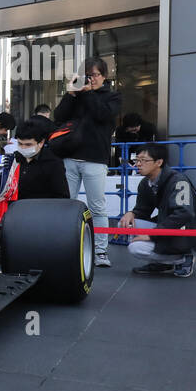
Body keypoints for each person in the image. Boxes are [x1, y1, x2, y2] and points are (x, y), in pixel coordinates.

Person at [53, 57, 121, 268]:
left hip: (95, 159)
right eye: (87, 75)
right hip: (70, 157)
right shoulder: (78, 95)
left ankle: (101, 250)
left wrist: (88, 93)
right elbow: (59, 117)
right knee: (66, 204)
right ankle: (63, 246)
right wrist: (71, 94)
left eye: (95, 75)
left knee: (97, 206)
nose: (91, 79)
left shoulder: (112, 96)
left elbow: (102, 115)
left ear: (104, 76)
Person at [121, 143, 196, 278]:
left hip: (185, 230)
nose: (138, 164)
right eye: (136, 160)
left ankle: (183, 259)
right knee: (128, 223)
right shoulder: (145, 183)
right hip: (168, 225)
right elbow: (142, 211)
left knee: (135, 248)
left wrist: (152, 235)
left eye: (143, 160)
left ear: (159, 162)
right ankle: (163, 261)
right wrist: (131, 213)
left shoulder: (178, 181)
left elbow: (185, 213)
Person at [0, 117, 70, 222]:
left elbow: (62, 196)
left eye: (28, 145)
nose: (24, 148)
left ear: (41, 143)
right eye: (20, 144)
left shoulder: (53, 163)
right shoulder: (13, 160)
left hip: (41, 218)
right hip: (13, 216)